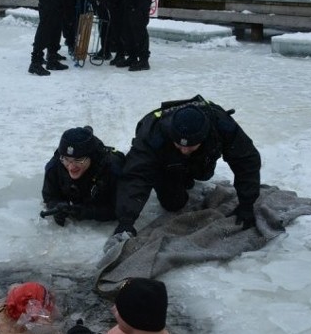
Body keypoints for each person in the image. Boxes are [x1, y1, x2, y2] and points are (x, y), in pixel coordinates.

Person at [112, 95, 262, 239]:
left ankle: (188, 171)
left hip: (200, 157)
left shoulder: (220, 124)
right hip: (166, 161)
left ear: (203, 137)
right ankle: (172, 174)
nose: (184, 150)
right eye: (179, 145)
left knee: (204, 174)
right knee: (173, 203)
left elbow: (246, 159)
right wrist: (126, 221)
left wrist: (247, 204)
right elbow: (136, 174)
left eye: (190, 146)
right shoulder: (153, 134)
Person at [41, 126, 125, 227]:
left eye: (78, 160)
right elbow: (49, 196)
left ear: (91, 157)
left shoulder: (111, 170)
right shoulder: (55, 165)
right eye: (66, 159)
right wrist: (56, 207)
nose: (71, 166)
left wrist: (85, 212)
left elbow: (120, 209)